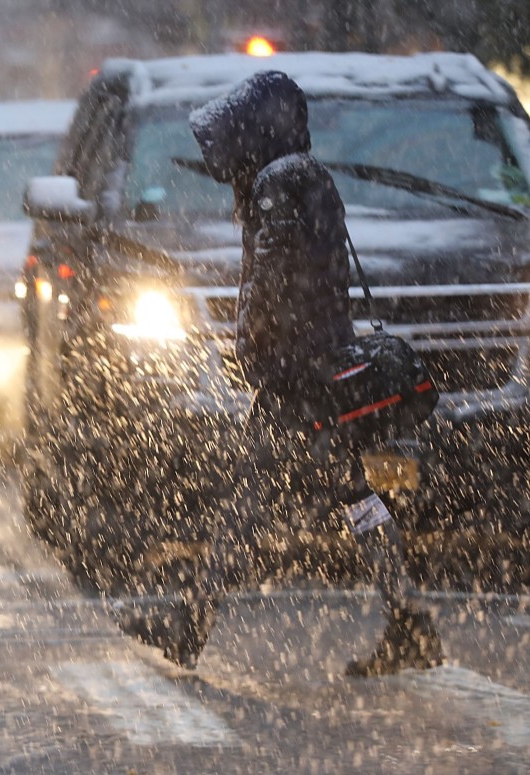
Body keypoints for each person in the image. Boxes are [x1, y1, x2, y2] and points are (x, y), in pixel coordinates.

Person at [117, 71, 444, 677]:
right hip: (321, 363)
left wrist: (258, 354)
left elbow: (270, 284)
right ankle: (409, 619)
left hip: (297, 377)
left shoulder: (277, 182)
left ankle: (194, 625)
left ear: (255, 129)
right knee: (356, 496)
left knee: (246, 503)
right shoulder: (305, 174)